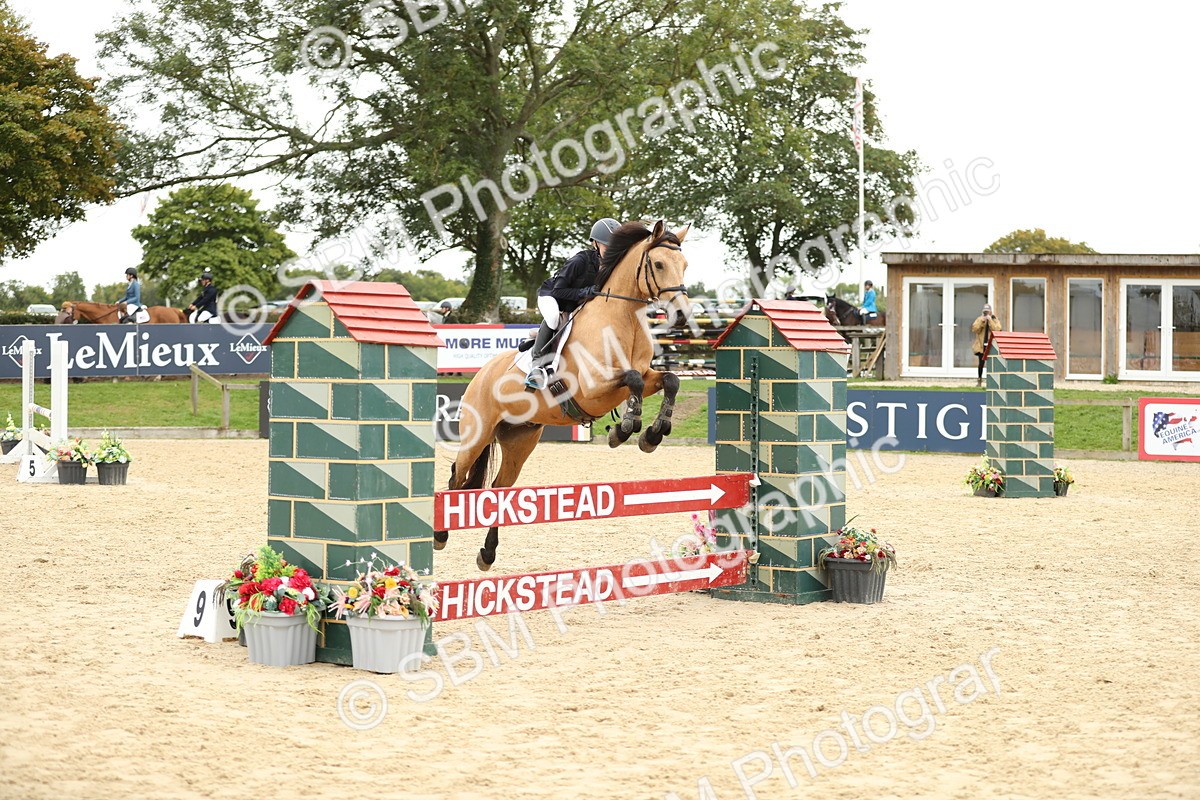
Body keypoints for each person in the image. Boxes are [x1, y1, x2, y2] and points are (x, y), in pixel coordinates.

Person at [524, 218, 620, 390]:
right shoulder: (579, 261)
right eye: (608, 246)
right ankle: (536, 367)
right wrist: (586, 292)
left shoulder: (610, 266)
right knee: (554, 318)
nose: (612, 251)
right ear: (596, 243)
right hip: (553, 297)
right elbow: (559, 291)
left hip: (576, 303)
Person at [971, 303, 1002, 387]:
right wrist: (982, 321)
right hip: (981, 345)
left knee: (992, 363)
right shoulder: (979, 319)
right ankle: (979, 380)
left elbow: (997, 330)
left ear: (991, 312)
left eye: (987, 312)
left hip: (991, 345)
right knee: (981, 363)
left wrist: (990, 320)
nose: (986, 314)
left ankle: (993, 381)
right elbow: (974, 329)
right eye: (985, 312)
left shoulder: (994, 319)